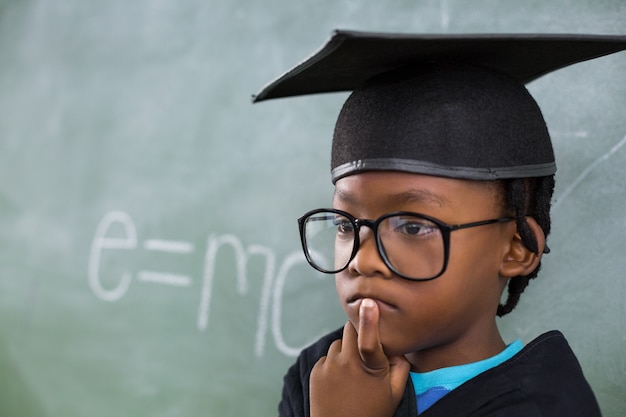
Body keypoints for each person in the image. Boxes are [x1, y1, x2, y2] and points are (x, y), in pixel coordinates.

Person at [253, 31, 626, 417]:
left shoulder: (547, 406)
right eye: (345, 224)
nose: (362, 261)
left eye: (413, 227)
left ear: (519, 246)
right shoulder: (319, 376)